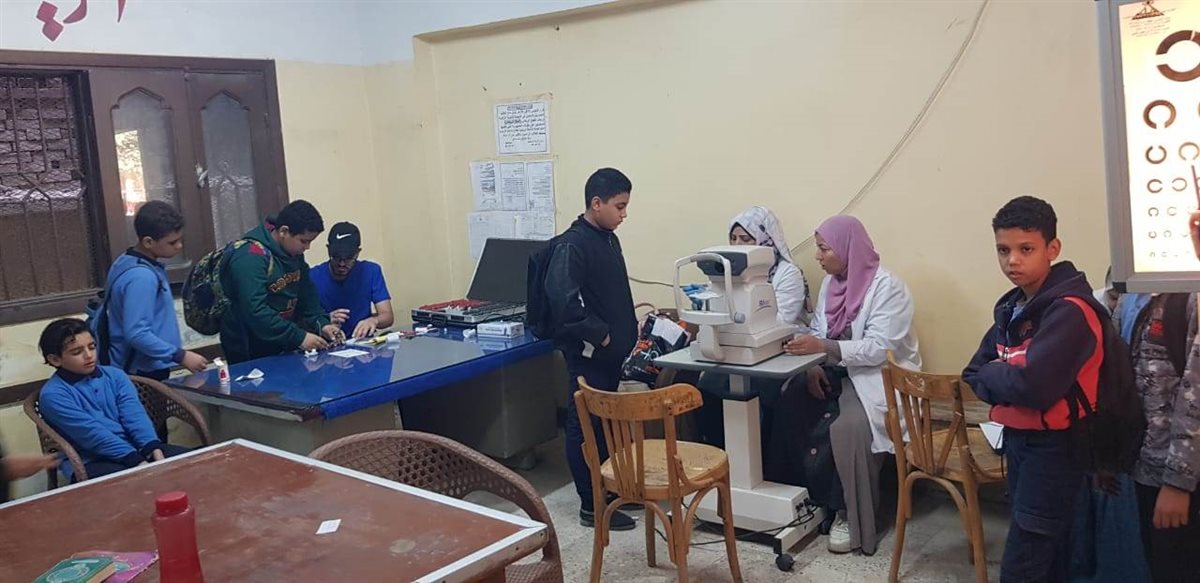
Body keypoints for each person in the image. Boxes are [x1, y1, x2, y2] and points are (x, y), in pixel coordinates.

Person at [963, 196, 1103, 582]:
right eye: (1003, 250)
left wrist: (1000, 374)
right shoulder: (1013, 308)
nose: (1013, 261)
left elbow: (1037, 388)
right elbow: (972, 372)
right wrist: (1007, 378)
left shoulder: (1070, 311)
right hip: (1019, 442)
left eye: (1026, 249)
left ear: (1052, 249)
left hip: (1056, 449)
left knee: (1024, 563)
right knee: (1046, 555)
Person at [784, 215, 921, 555]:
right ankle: (812, 500)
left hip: (879, 379)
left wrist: (825, 348)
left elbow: (880, 349)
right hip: (838, 371)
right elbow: (819, 330)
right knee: (791, 398)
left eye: (824, 248)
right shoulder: (831, 285)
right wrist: (813, 366)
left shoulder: (888, 288)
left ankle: (848, 512)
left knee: (849, 427)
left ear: (847, 248)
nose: (818, 256)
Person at [544, 168, 638, 530]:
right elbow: (564, 303)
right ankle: (592, 505)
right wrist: (602, 337)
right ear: (596, 203)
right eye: (619, 206)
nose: (624, 214)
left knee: (603, 425)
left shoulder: (607, 238)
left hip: (611, 357)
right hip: (589, 355)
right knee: (585, 426)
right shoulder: (572, 245)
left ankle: (611, 492)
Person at [696, 206, 810, 449]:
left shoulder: (787, 274)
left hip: (777, 353)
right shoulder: (727, 273)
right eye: (733, 238)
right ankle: (721, 458)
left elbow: (782, 321)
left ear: (765, 240)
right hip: (735, 350)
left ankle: (762, 461)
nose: (738, 245)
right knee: (707, 387)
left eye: (746, 239)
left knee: (764, 395)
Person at [36, 318, 190, 481]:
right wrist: (138, 462)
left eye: (92, 347)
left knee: (194, 463)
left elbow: (134, 415)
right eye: (76, 352)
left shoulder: (115, 375)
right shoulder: (53, 395)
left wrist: (153, 449)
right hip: (89, 461)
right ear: (55, 359)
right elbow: (92, 434)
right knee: (139, 483)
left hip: (137, 449)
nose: (89, 355)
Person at [219, 200, 343, 363]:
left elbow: (307, 296)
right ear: (284, 231)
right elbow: (255, 310)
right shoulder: (250, 257)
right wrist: (299, 337)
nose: (307, 247)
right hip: (247, 344)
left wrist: (323, 324)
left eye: (310, 242)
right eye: (303, 241)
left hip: (282, 338)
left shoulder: (294, 254)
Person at [99, 201, 208, 380]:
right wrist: (180, 355)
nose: (179, 246)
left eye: (180, 240)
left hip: (141, 364)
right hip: (140, 371)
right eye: (172, 242)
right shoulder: (142, 277)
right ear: (148, 242)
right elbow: (137, 333)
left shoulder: (126, 260)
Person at [310, 221, 395, 339]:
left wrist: (373, 321)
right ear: (328, 249)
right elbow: (300, 322)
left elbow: (387, 316)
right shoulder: (312, 276)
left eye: (349, 258)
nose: (342, 264)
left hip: (362, 342)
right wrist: (324, 321)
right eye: (336, 257)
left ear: (358, 252)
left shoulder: (371, 271)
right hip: (327, 344)